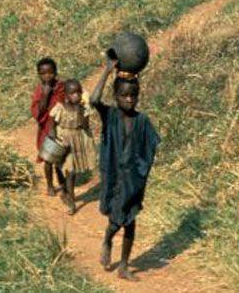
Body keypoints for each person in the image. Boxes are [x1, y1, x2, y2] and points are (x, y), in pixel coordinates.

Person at [90, 58, 160, 281]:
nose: (129, 100)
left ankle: (124, 265)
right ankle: (108, 239)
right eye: (124, 96)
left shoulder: (142, 121)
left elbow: (151, 146)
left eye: (133, 95)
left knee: (130, 222)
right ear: (116, 97)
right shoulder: (110, 115)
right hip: (114, 177)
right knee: (115, 222)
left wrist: (141, 168)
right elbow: (93, 99)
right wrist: (106, 71)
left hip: (133, 180)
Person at [49, 79, 96, 215]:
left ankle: (71, 200)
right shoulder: (60, 107)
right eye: (72, 93)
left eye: (78, 92)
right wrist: (53, 133)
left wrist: (84, 109)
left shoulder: (83, 108)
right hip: (63, 139)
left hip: (76, 141)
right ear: (66, 95)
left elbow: (85, 126)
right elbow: (53, 121)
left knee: (72, 171)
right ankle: (67, 193)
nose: (76, 95)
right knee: (62, 167)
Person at [30, 57, 66, 196]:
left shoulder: (61, 87)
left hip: (61, 127)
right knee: (48, 158)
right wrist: (45, 94)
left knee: (61, 157)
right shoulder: (40, 90)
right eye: (43, 73)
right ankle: (50, 185)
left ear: (55, 72)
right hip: (46, 128)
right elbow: (38, 111)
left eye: (50, 72)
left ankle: (62, 181)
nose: (47, 76)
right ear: (39, 75)